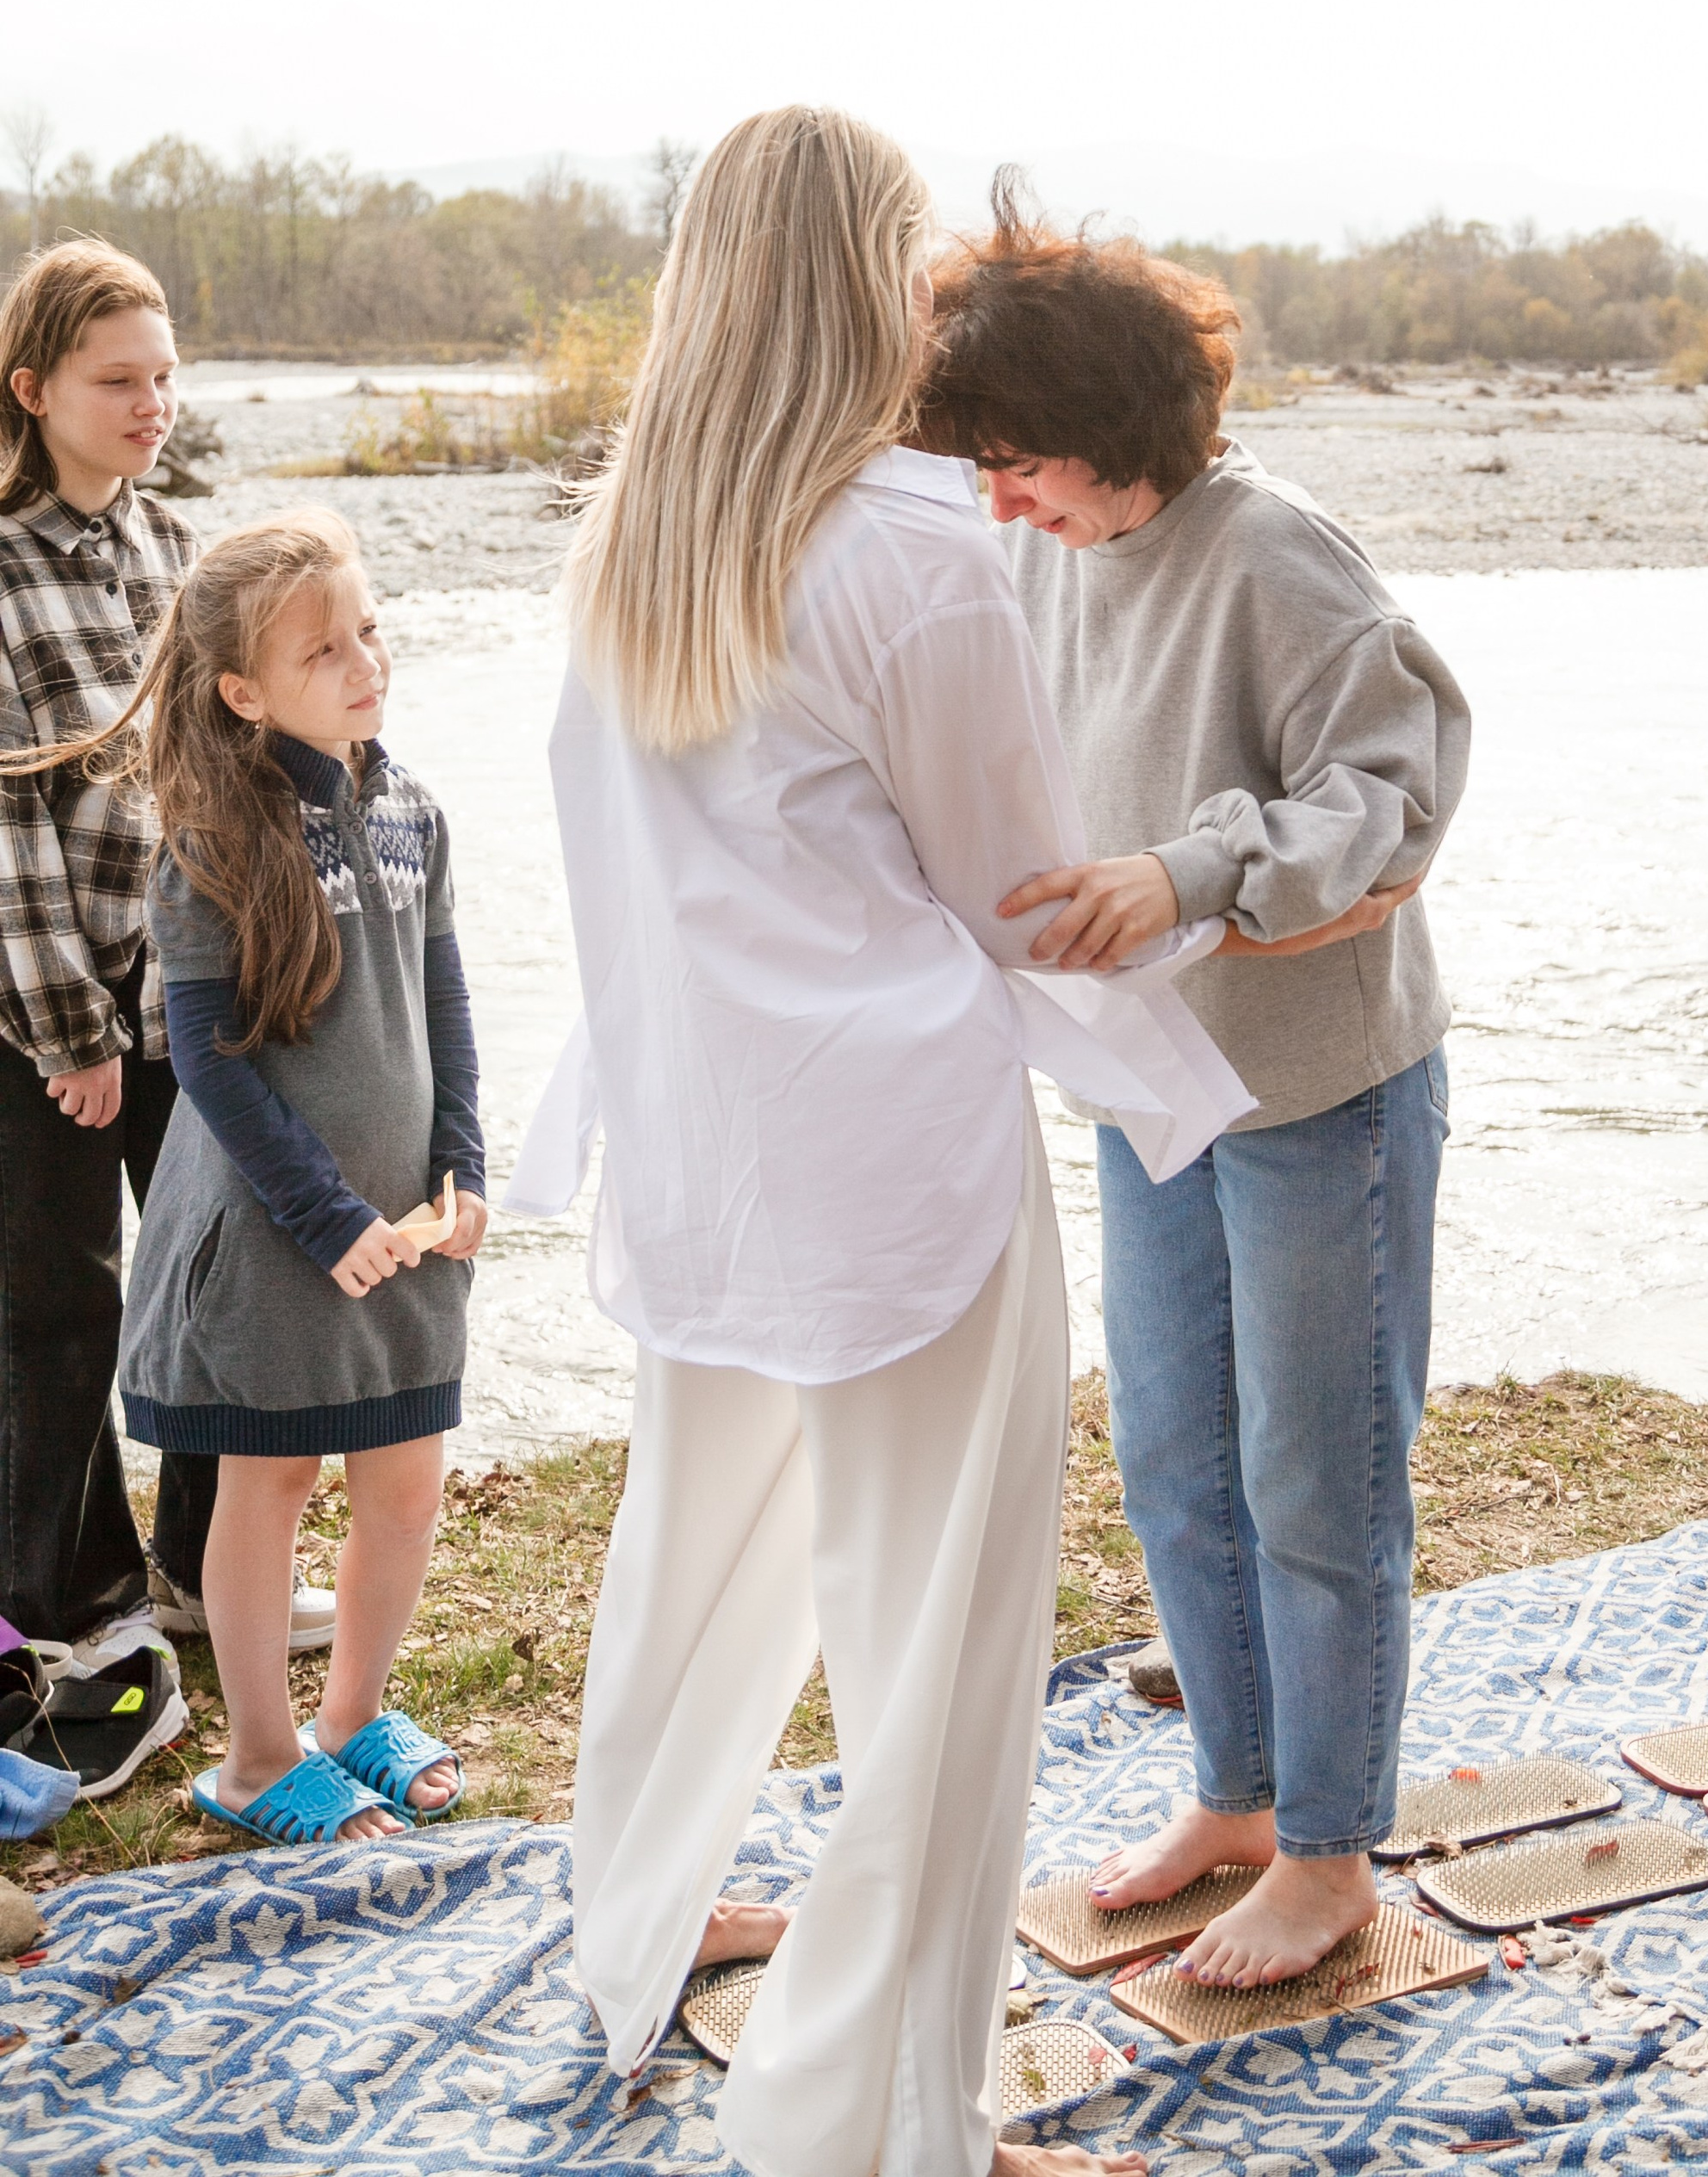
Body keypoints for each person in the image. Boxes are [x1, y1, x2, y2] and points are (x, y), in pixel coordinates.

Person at [523, 106, 1245, 2177]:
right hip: (891, 1163)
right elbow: (1020, 896)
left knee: (687, 1562)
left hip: (700, 1141)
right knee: (932, 1651)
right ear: (870, 281)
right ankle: (888, 2121)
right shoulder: (914, 548)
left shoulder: (630, 533)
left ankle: (636, 1933)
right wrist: (1211, 973)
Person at [920, 182, 1471, 1993]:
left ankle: (1328, 1855)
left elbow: (1393, 794)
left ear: (1106, 426)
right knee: (1171, 1460)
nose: (999, 501)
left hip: (1319, 1093)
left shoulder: (1279, 557)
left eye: (1018, 463)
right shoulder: (1037, 547)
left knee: (1317, 1478)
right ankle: (1237, 1800)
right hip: (1147, 1088)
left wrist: (1187, 876)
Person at [10, 510, 488, 1844]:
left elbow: (446, 1005)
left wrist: (464, 1163)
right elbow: (210, 1065)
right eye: (322, 650)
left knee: (406, 1481)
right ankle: (258, 1759)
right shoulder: (210, 844)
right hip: (278, 1233)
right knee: (266, 1485)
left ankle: (350, 1718)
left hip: (406, 1226)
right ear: (242, 692)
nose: (364, 662)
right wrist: (328, 1218)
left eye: (368, 631)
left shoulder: (414, 812)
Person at [0, 243, 327, 1807]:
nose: (152, 403)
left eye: (166, 375)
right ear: (32, 390)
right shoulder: (4, 571)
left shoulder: (180, 549)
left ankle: (204, 1569)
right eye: (117, 380)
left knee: (212, 1282)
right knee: (61, 1312)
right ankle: (80, 1609)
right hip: (40, 1015)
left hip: (181, 992)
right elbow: (8, 832)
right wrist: (69, 1029)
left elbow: (221, 775)